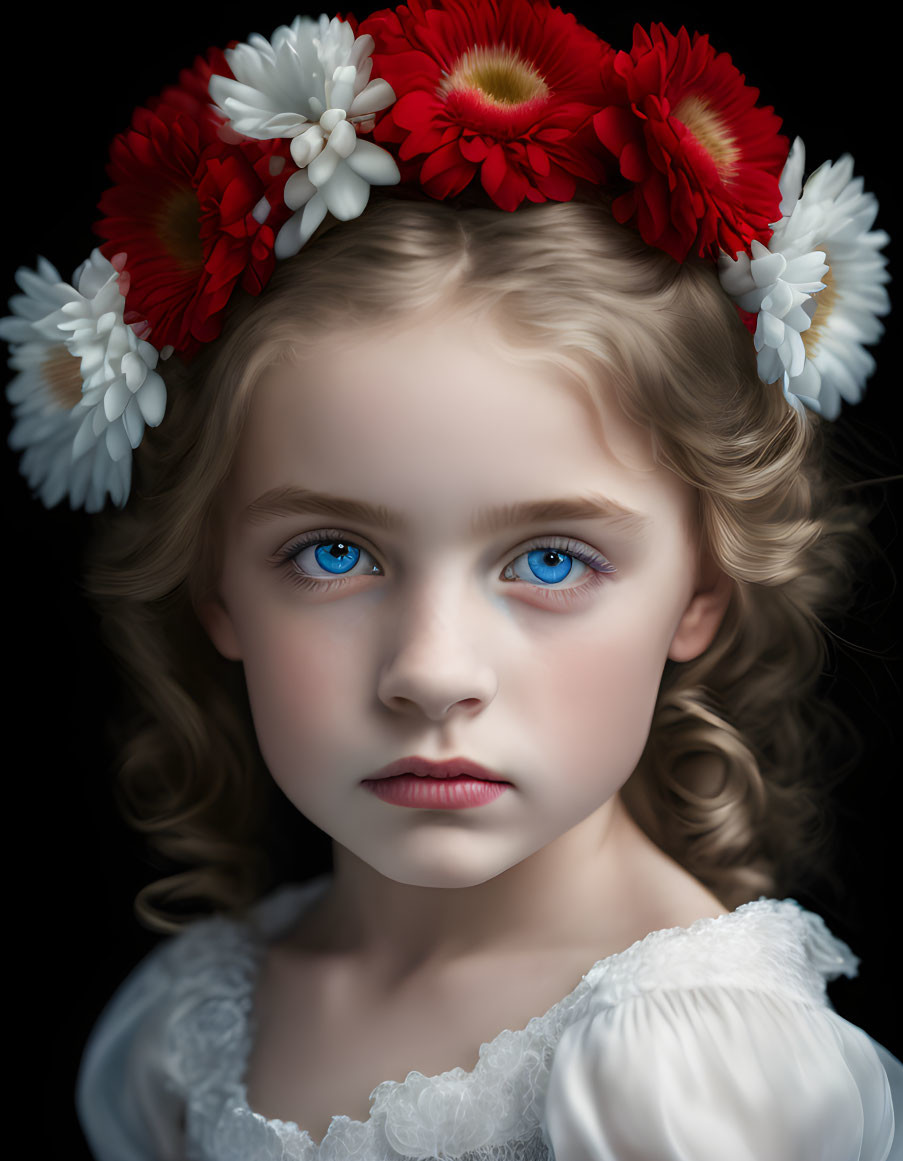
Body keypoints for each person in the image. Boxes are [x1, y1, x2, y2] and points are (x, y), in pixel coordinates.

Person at [3, 2, 900, 1158]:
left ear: (701, 592)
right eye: (335, 554)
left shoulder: (684, 1074)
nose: (432, 672)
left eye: (548, 560)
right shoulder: (190, 1028)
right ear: (215, 583)